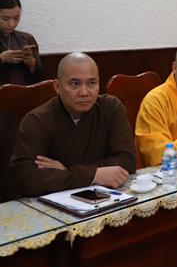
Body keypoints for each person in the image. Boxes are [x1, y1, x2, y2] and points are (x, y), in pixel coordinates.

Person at [9, 53, 135, 197]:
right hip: (56, 202)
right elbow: (27, 179)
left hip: (105, 197)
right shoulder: (37, 120)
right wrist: (95, 175)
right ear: (57, 86)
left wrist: (67, 171)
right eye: (75, 84)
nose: (84, 92)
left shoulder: (111, 108)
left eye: (92, 83)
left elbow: (127, 161)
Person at [0, 0, 42, 85]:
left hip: (24, 92)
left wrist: (31, 63)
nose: (11, 24)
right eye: (5, 19)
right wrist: (2, 59)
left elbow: (39, 76)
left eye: (16, 18)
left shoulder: (27, 39)